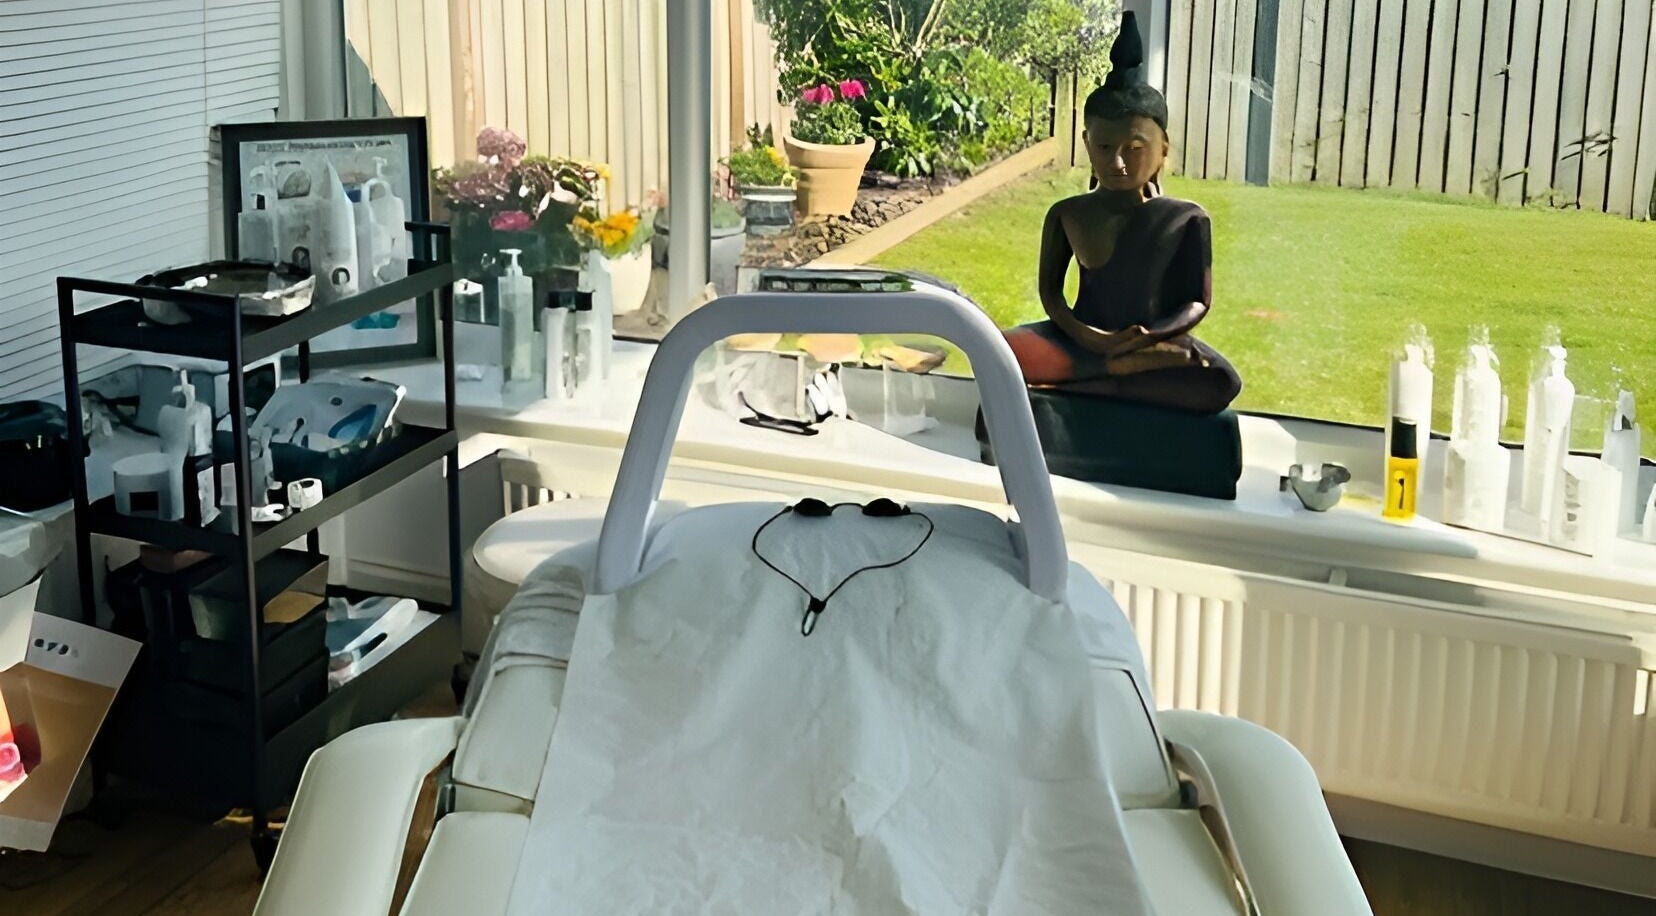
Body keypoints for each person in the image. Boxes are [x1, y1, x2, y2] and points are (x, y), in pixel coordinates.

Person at [1004, 11, 1242, 415]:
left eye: (1134, 148)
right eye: (1103, 148)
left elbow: (1196, 303)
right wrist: (1088, 336)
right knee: (1003, 351)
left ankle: (1090, 381)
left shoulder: (1185, 219)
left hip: (1152, 342)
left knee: (1219, 381)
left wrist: (1148, 334)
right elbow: (1052, 294)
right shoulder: (1067, 214)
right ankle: (1113, 373)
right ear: (1086, 142)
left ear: (1163, 147)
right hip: (1081, 339)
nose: (1117, 162)